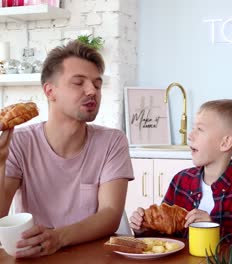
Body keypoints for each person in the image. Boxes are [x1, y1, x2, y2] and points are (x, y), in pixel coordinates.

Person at [0, 40, 134, 258]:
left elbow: (110, 214)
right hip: (38, 256)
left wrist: (59, 238)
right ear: (50, 91)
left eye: (97, 85)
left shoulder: (112, 142)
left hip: (95, 257)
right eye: (79, 83)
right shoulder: (19, 142)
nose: (92, 91)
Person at [130, 99, 232, 240]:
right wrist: (144, 228)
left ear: (225, 143)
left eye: (200, 129)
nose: (190, 136)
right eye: (193, 128)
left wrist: (213, 230)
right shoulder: (181, 180)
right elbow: (163, 234)